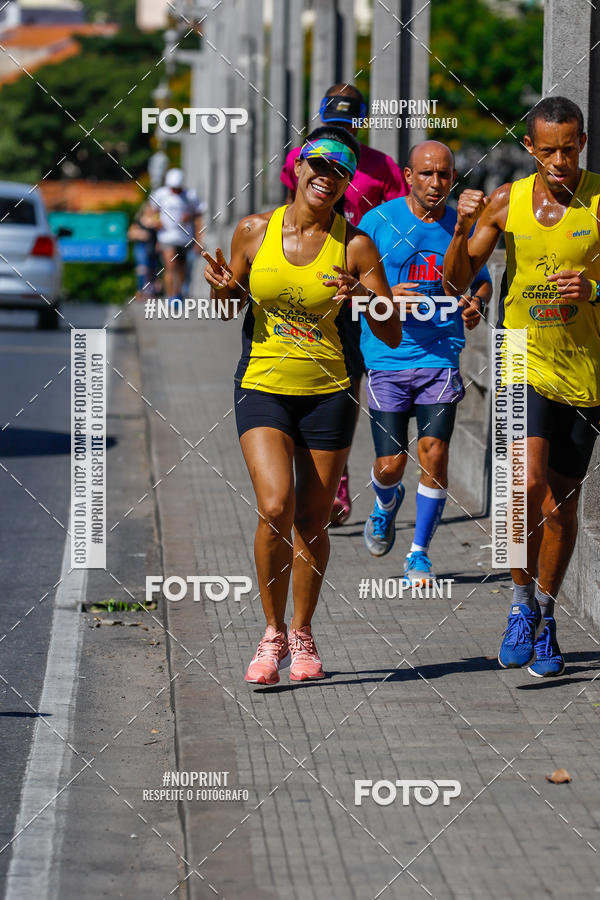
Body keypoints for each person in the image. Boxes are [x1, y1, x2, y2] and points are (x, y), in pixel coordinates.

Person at [203, 126, 401, 685]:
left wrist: (365, 298)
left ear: (346, 184)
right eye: (318, 165)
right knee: (275, 506)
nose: (326, 177)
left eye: (339, 172)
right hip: (263, 384)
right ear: (297, 167)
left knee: (313, 518)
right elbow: (227, 309)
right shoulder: (253, 231)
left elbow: (389, 331)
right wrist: (222, 288)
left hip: (329, 392)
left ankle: (303, 632)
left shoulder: (355, 244)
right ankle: (270, 635)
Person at [443, 96, 600, 677]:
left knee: (560, 507)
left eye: (569, 147)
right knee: (521, 486)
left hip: (585, 366)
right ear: (529, 149)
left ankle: (547, 615)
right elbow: (457, 276)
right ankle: (518, 603)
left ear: (582, 142)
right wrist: (461, 227)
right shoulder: (507, 203)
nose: (559, 160)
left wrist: (595, 294)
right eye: (547, 150)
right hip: (518, 356)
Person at [359, 141, 492, 585]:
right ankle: (384, 502)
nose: (437, 183)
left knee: (434, 453)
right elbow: (348, 285)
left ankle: (418, 554)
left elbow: (483, 279)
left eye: (445, 175)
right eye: (428, 174)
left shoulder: (462, 223)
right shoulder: (377, 222)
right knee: (391, 465)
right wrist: (383, 297)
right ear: (408, 175)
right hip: (387, 357)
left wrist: (475, 302)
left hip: (440, 354)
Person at [281, 84, 408, 524]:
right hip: (311, 273)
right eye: (333, 120)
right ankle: (314, 472)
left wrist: (381, 284)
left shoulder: (383, 166)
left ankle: (335, 477)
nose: (340, 128)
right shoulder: (306, 154)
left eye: (348, 121)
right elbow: (292, 205)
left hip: (359, 276)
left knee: (347, 375)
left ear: (362, 121)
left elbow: (396, 225)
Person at [150, 167, 205, 301]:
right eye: (172, 187)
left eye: (177, 188)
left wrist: (198, 240)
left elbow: (198, 216)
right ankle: (170, 296)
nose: (174, 190)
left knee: (182, 269)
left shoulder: (190, 195)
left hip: (184, 237)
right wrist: (157, 222)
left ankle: (177, 292)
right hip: (166, 236)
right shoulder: (160, 194)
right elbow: (152, 211)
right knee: (170, 266)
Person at [127, 200, 161, 300]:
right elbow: (130, 234)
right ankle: (140, 290)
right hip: (141, 247)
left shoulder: (156, 222)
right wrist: (140, 234)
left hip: (153, 248)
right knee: (142, 268)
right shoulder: (139, 221)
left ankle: (150, 291)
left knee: (153, 270)